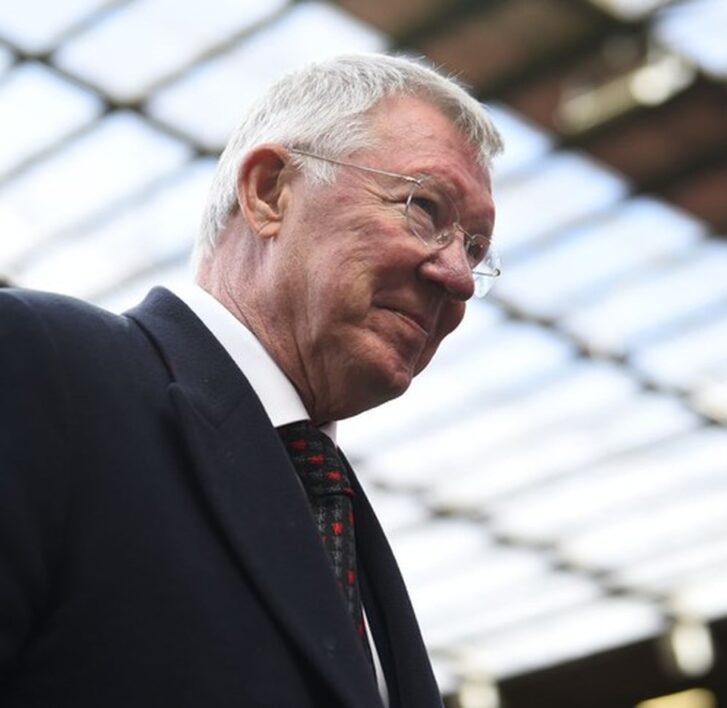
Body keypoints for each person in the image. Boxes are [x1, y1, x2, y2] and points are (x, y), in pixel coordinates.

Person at [0, 52, 503, 707]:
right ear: (269, 192)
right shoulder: (39, 364)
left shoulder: (334, 509)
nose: (459, 279)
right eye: (423, 206)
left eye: (475, 249)